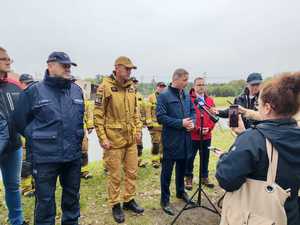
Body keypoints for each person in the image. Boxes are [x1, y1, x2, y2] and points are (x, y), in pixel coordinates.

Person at [216, 72, 300, 225]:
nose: (257, 108)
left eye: (259, 105)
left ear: (267, 107)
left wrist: (224, 157)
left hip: (258, 216)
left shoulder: (252, 139)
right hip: (290, 213)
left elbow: (227, 179)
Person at [14, 51, 84, 225]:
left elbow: (78, 119)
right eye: (64, 65)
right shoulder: (34, 91)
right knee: (45, 203)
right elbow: (19, 121)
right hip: (45, 158)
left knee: (72, 198)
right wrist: (38, 138)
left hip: (72, 157)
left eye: (69, 65)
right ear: (50, 65)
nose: (68, 68)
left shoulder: (76, 90)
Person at [93, 56, 144, 224]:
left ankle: (129, 200)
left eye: (131, 69)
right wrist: (102, 138)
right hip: (113, 140)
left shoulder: (132, 88)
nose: (130, 72)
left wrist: (138, 130)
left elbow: (136, 112)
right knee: (115, 175)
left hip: (130, 139)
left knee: (132, 172)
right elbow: (98, 116)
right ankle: (115, 204)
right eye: (127, 69)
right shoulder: (105, 87)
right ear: (117, 68)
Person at [156, 68, 195, 216]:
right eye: (185, 80)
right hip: (171, 141)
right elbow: (160, 117)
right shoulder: (164, 95)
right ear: (176, 79)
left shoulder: (185, 95)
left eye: (187, 80)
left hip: (186, 140)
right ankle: (165, 200)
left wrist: (192, 122)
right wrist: (180, 123)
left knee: (182, 168)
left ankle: (180, 192)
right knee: (167, 172)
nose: (187, 83)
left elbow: (192, 111)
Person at [0, 47, 27, 225]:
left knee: (13, 186)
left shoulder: (15, 85)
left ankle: (17, 221)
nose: (9, 61)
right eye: (4, 59)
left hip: (13, 146)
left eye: (10, 58)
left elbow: (24, 113)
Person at [185, 77, 216, 190]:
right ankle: (188, 177)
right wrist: (197, 128)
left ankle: (204, 177)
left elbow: (214, 117)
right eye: (198, 85)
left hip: (207, 135)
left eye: (203, 84)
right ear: (194, 86)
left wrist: (209, 128)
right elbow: (187, 117)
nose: (201, 87)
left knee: (205, 157)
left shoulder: (210, 101)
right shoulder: (188, 99)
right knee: (189, 157)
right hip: (193, 135)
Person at [18, 74, 36, 197]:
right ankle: (26, 189)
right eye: (27, 83)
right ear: (22, 83)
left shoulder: (34, 96)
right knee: (25, 164)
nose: (30, 85)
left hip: (34, 136)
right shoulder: (19, 97)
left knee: (35, 162)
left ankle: (34, 186)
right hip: (23, 135)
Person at [146, 81, 166, 168]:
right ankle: (155, 161)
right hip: (154, 126)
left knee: (164, 143)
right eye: (160, 86)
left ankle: (162, 159)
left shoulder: (166, 97)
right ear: (157, 87)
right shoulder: (151, 97)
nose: (162, 88)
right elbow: (147, 111)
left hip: (164, 126)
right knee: (156, 144)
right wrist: (149, 123)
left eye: (163, 87)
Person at [131, 77, 148, 168]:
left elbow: (143, 109)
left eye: (136, 83)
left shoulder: (140, 96)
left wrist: (144, 121)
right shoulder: (126, 93)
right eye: (133, 82)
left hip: (138, 124)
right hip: (128, 124)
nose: (135, 84)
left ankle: (138, 161)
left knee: (139, 144)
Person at [80, 97, 94, 179]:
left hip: (81, 128)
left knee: (84, 150)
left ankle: (84, 172)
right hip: (67, 129)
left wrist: (90, 126)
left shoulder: (80, 93)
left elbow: (89, 113)